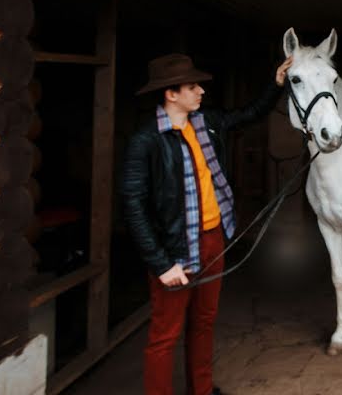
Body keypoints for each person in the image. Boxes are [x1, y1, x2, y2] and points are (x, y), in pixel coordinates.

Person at [122, 52, 292, 395]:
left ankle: (201, 390)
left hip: (213, 239)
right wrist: (161, 263)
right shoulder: (146, 141)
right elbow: (133, 207)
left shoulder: (207, 123)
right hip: (174, 251)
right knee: (164, 335)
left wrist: (276, 85)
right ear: (171, 94)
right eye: (192, 86)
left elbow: (250, 114)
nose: (200, 91)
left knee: (202, 324)